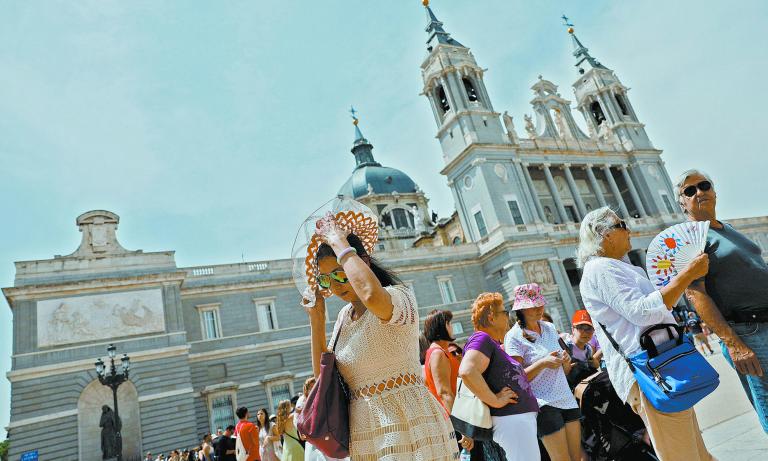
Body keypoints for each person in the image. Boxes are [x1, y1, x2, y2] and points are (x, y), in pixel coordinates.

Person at [302, 212, 458, 460]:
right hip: (366, 437)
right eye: (326, 278)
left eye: (341, 273)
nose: (335, 284)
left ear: (361, 260)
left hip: (409, 426)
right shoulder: (344, 317)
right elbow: (322, 379)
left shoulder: (399, 296)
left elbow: (371, 295)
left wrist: (339, 241)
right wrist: (317, 319)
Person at [577, 206, 715, 460]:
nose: (629, 229)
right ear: (603, 234)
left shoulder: (618, 267)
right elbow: (642, 312)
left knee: (697, 453)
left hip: (661, 365)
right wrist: (686, 275)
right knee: (683, 455)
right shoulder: (602, 269)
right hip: (649, 371)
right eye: (621, 225)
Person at [677, 170, 768, 434]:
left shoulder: (727, 229)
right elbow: (695, 294)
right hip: (748, 332)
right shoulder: (689, 238)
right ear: (682, 203)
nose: (699, 192)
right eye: (689, 191)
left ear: (715, 191)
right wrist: (733, 343)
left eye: (704, 186)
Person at [459, 292, 540, 461]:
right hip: (511, 421)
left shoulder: (490, 343)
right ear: (491, 317)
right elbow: (467, 371)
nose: (507, 316)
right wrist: (495, 400)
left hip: (515, 421)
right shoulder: (482, 338)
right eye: (504, 312)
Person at [505, 283, 582, 461]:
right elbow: (516, 380)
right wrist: (543, 363)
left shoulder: (549, 327)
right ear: (522, 309)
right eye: (533, 305)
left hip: (565, 397)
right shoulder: (513, 336)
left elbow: (565, 369)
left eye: (540, 303)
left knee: (576, 458)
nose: (540, 308)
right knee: (561, 459)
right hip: (542, 403)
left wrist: (565, 361)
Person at [423, 309, 474, 451]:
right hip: (452, 422)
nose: (451, 327)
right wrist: (463, 428)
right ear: (442, 326)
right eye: (449, 323)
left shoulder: (438, 351)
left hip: (453, 419)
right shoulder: (438, 353)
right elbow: (444, 392)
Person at [561, 310, 602, 388]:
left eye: (589, 328)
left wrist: (595, 363)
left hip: (587, 390)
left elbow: (595, 366)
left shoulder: (588, 348)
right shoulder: (565, 347)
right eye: (581, 328)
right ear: (573, 329)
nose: (585, 332)